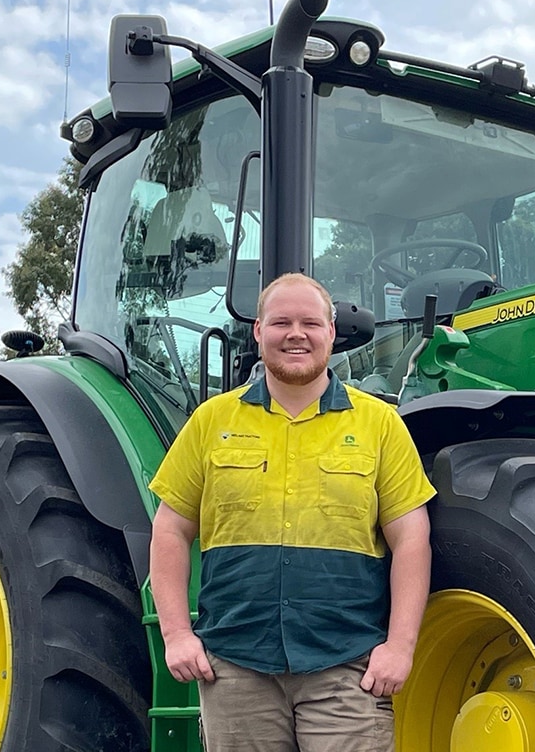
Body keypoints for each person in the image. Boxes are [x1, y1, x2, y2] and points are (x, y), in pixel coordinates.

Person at [149, 273, 435, 752]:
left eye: (310, 323)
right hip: (237, 670)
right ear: (259, 332)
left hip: (347, 670)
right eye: (281, 322)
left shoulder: (379, 424)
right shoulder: (211, 421)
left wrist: (401, 648)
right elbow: (170, 530)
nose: (296, 334)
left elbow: (412, 539)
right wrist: (177, 635)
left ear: (331, 333)